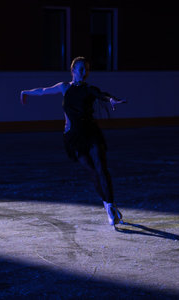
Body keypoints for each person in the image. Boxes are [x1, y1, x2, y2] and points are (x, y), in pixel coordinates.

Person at [20, 56, 127, 227]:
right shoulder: (64, 87)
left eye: (87, 69)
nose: (84, 73)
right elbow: (43, 90)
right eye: (81, 69)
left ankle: (110, 206)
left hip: (91, 133)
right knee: (92, 171)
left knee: (101, 168)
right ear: (73, 71)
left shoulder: (89, 89)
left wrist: (111, 99)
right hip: (73, 137)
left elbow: (102, 95)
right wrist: (26, 92)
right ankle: (107, 204)